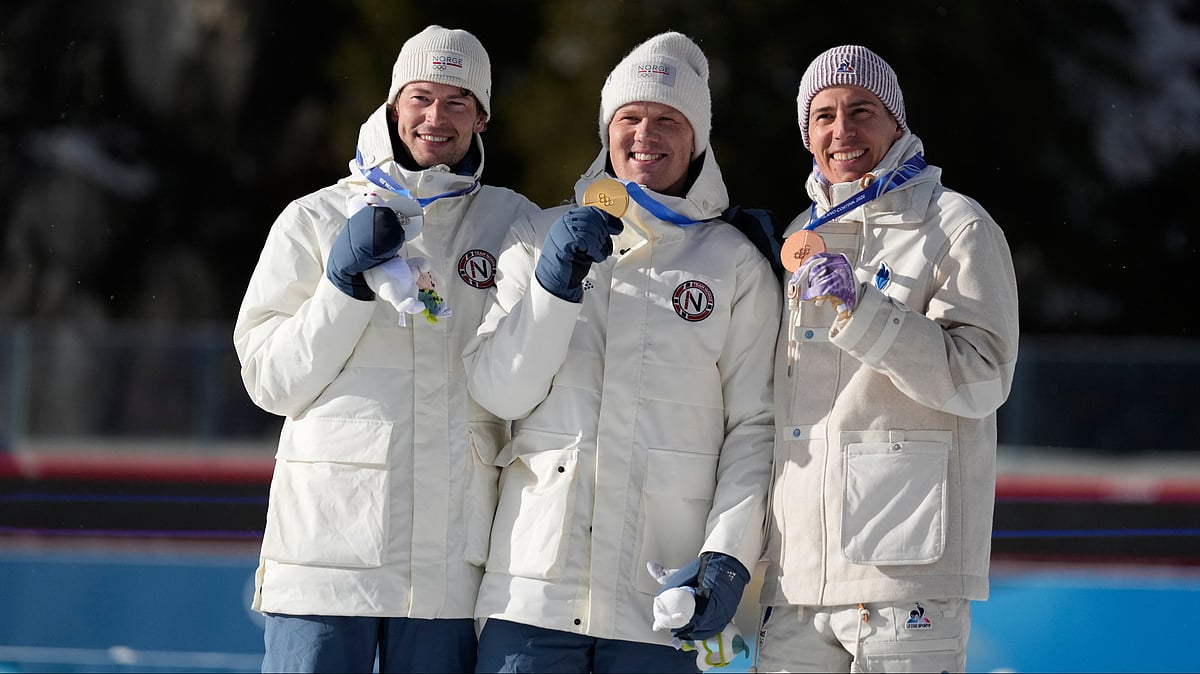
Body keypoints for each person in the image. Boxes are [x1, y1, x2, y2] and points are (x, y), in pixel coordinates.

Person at [462, 31, 781, 673]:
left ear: (698, 138)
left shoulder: (734, 263)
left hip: (663, 598)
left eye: (668, 119)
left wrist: (727, 557)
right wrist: (554, 289)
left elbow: (757, 427)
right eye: (629, 118)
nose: (645, 134)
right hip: (532, 593)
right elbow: (499, 392)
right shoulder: (539, 235)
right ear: (607, 131)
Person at [232, 25, 539, 673]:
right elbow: (270, 381)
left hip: (445, 570)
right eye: (421, 97)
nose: (436, 117)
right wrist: (343, 287)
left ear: (482, 117)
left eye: (458, 101)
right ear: (394, 103)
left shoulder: (511, 222)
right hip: (322, 560)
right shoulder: (313, 219)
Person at [756, 45, 1020, 673]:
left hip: (905, 575)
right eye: (823, 115)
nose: (841, 130)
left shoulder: (956, 225)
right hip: (797, 581)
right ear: (806, 133)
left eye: (861, 110)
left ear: (897, 121)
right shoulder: (801, 232)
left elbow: (983, 376)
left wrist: (868, 311)